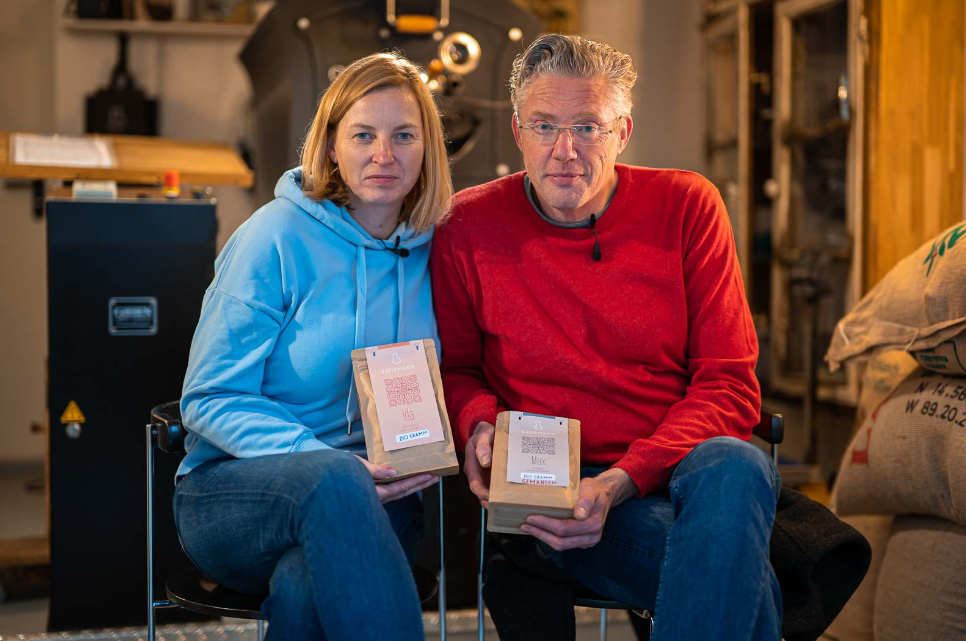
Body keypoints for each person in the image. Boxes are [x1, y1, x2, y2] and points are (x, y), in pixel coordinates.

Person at [431, 34, 782, 641]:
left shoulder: (687, 205)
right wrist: (480, 427)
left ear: (622, 133)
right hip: (550, 483)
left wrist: (624, 479)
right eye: (544, 126)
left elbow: (728, 385)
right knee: (742, 565)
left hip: (673, 467)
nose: (564, 151)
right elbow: (458, 369)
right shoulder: (466, 223)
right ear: (517, 131)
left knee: (737, 460)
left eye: (588, 127)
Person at [173, 52, 452, 641]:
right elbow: (208, 397)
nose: (385, 154)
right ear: (330, 146)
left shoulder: (440, 251)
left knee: (304, 586)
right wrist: (324, 459)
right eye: (363, 135)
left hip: (385, 495)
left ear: (427, 148)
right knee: (333, 480)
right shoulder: (273, 237)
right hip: (235, 494)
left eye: (404, 135)